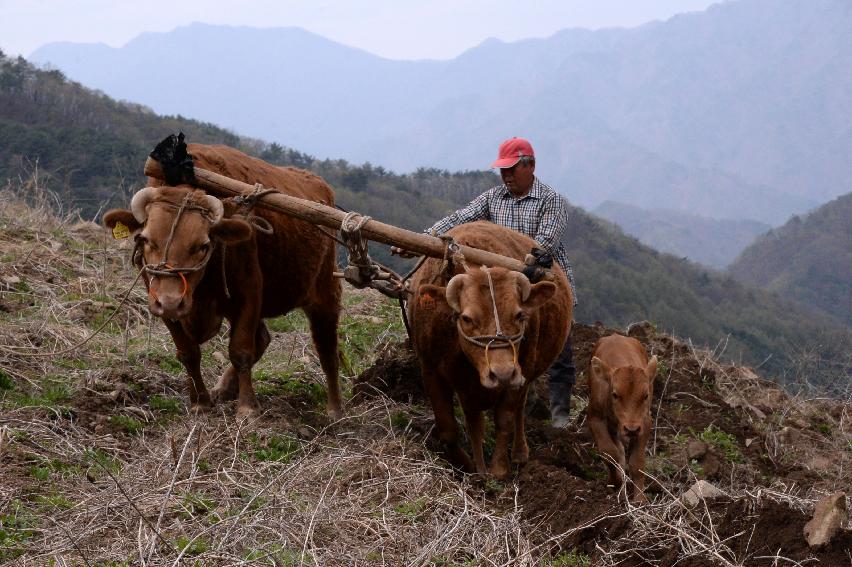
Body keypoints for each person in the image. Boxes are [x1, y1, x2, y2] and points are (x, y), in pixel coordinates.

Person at [395, 137, 577, 427]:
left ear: (530, 166)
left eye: (512, 169)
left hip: (534, 277)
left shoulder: (550, 201)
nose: (506, 175)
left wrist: (526, 260)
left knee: (559, 352)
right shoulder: (493, 198)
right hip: (496, 290)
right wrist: (422, 240)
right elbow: (460, 218)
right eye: (502, 170)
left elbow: (546, 242)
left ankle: (559, 414)